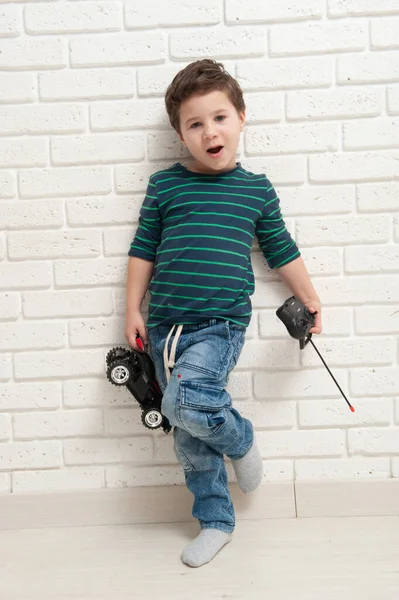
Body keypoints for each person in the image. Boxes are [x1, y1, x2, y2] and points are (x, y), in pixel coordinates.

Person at [125, 59, 322, 568]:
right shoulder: (165, 187)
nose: (209, 131)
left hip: (219, 326)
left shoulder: (255, 189)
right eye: (195, 123)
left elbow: (281, 249)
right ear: (181, 134)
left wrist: (312, 296)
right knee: (188, 440)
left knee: (187, 403)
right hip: (167, 327)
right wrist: (131, 308)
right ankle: (215, 521)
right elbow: (143, 250)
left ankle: (241, 439)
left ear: (240, 118)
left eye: (219, 118)